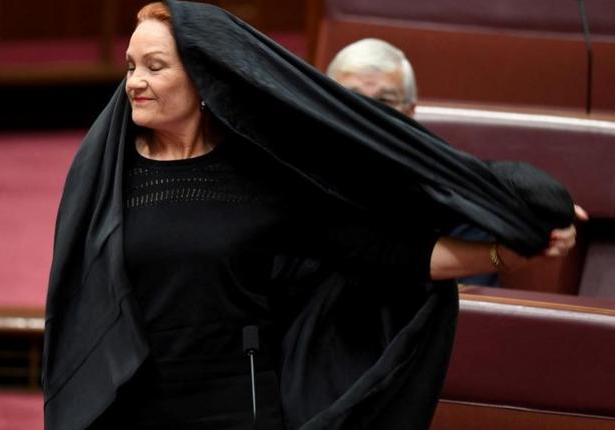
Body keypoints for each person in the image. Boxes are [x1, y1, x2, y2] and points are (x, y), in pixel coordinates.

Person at [42, 2, 582, 429]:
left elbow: (386, 253)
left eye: (156, 67)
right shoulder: (106, 174)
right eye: (132, 66)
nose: (135, 81)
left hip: (237, 407)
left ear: (203, 77)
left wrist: (503, 247)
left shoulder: (265, 174)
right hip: (129, 406)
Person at [327, 38, 519, 286]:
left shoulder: (449, 190)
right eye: (352, 97)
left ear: (410, 112)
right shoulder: (298, 173)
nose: (368, 113)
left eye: (384, 101)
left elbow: (469, 304)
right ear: (326, 103)